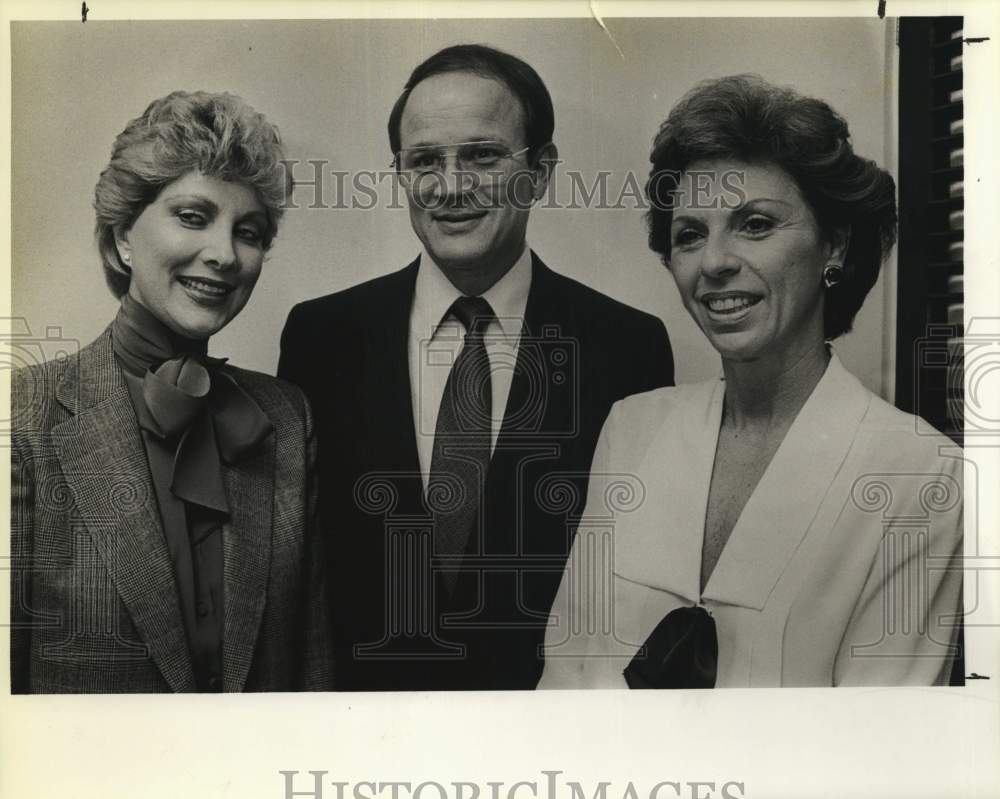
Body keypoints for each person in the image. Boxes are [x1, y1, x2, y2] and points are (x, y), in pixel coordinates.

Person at [538, 75, 964, 688]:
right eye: (690, 235)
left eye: (756, 224)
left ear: (835, 245)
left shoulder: (920, 477)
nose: (713, 262)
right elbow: (566, 679)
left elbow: (878, 755)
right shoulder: (633, 428)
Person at [279, 44, 674, 690]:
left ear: (541, 170)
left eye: (483, 155)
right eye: (425, 160)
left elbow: (635, 590)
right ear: (401, 174)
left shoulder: (626, 347)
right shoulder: (322, 337)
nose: (452, 185)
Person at [10, 91, 333, 693]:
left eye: (250, 232)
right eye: (192, 216)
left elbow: (310, 670)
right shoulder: (23, 414)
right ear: (123, 238)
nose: (224, 255)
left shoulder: (287, 420)